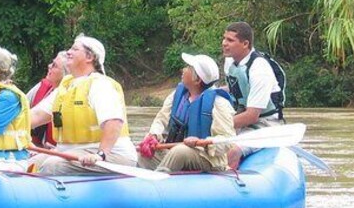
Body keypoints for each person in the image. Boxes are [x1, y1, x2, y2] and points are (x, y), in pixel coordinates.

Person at [29, 34, 137, 175]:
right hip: (71, 152)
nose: (68, 52)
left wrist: (101, 154)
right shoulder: (66, 85)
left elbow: (113, 122)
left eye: (74, 49)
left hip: (108, 154)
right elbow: (36, 115)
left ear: (90, 57)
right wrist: (10, 128)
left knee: (52, 165)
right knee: (30, 163)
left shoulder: (100, 84)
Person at [137, 52, 235, 173]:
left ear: (197, 79)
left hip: (207, 159)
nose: (183, 70)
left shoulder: (219, 103)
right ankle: (149, 181)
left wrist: (203, 143)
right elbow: (161, 120)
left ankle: (159, 181)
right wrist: (153, 135)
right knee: (145, 154)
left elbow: (227, 140)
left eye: (188, 68)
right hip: (176, 153)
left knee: (180, 151)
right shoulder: (176, 96)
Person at [222, 21, 284, 168]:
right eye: (224, 38)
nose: (224, 43)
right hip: (241, 121)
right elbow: (235, 89)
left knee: (232, 152)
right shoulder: (229, 62)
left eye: (230, 40)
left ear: (245, 44)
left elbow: (252, 116)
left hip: (265, 125)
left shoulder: (259, 68)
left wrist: (220, 124)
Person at [25, 50, 68, 147]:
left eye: (54, 65)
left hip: (57, 150)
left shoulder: (69, 94)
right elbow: (21, 111)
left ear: (66, 74)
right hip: (36, 148)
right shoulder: (41, 87)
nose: (49, 66)